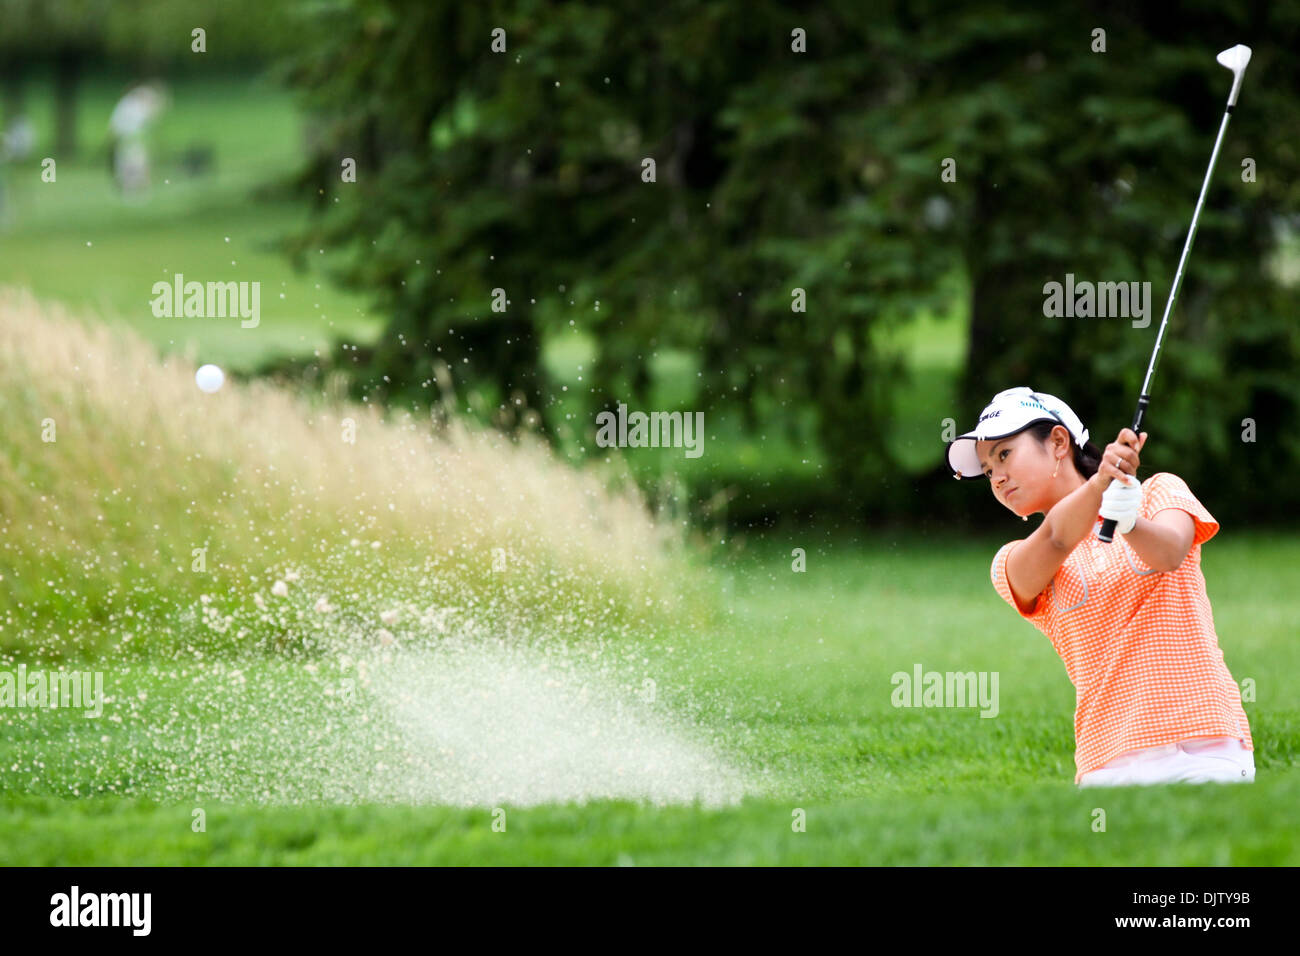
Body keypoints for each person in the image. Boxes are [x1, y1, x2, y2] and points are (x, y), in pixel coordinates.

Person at [946, 386, 1254, 787]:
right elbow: (1057, 536)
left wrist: (1128, 521)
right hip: (1108, 763)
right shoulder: (1011, 560)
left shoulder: (1160, 490)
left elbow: (1170, 552)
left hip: (1209, 745)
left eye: (1004, 454)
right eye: (988, 470)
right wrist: (1100, 487)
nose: (997, 477)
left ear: (1058, 442)